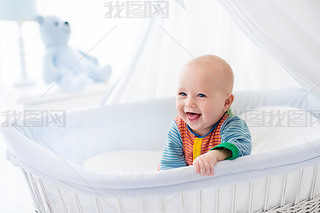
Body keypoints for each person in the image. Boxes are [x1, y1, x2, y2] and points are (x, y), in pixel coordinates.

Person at [160, 55, 251, 176]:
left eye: (201, 95)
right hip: (190, 184)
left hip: (221, 182)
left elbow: (241, 146)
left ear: (226, 102)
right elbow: (171, 165)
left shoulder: (230, 124)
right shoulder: (178, 127)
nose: (189, 103)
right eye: (183, 93)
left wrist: (214, 155)